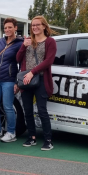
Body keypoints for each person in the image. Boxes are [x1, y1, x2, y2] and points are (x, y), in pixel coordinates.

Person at [16, 16, 57, 150]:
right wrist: (23, 46)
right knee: (27, 110)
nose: (35, 27)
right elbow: (17, 58)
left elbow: (48, 61)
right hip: (26, 80)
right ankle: (31, 137)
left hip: (40, 79)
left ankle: (48, 140)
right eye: (33, 25)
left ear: (44, 26)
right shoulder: (28, 41)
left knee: (41, 110)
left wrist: (32, 72)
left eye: (37, 25)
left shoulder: (50, 42)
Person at [0, 18, 24, 142]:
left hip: (9, 79)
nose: (7, 30)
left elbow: (21, 63)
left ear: (15, 28)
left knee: (8, 106)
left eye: (10, 27)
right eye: (5, 28)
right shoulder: (1, 41)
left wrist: (17, 82)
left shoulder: (20, 43)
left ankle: (11, 132)